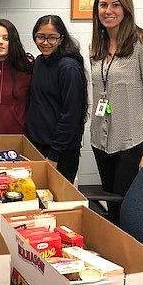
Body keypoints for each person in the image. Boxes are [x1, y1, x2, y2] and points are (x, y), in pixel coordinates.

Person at [89, 0, 143, 223]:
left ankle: (130, 256)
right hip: (101, 141)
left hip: (133, 143)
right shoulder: (97, 45)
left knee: (129, 211)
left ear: (126, 9)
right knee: (112, 207)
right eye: (103, 5)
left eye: (115, 4)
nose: (108, 10)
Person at [25, 15, 88, 183]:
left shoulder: (68, 68)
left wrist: (54, 155)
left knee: (56, 204)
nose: (45, 42)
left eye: (52, 37)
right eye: (40, 36)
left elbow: (71, 116)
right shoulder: (39, 62)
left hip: (60, 151)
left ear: (61, 39)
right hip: (37, 145)